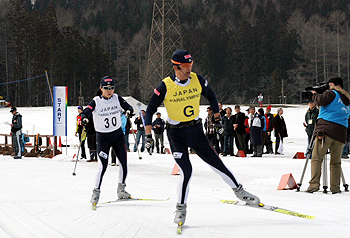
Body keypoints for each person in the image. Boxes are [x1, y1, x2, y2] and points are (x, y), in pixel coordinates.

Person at [144, 49, 260, 227]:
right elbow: (150, 110)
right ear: (176, 67)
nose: (189, 68)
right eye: (185, 65)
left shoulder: (197, 79)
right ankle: (181, 208)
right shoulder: (165, 85)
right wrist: (148, 134)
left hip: (196, 130)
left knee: (217, 163)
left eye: (191, 64)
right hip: (176, 134)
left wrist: (216, 116)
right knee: (186, 171)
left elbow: (212, 96)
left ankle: (240, 191)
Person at [80, 76, 134, 206]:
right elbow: (87, 111)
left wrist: (129, 111)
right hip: (103, 138)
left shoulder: (116, 98)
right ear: (101, 88)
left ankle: (121, 190)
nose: (109, 91)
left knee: (123, 163)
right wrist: (84, 118)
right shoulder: (96, 101)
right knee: (102, 166)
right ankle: (96, 192)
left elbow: (128, 106)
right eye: (106, 88)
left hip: (117, 136)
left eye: (111, 88)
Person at [306, 77, 350, 194]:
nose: (328, 87)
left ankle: (314, 184)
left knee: (316, 158)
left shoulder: (332, 93)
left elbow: (320, 101)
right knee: (335, 162)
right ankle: (335, 187)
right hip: (340, 133)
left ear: (336, 86)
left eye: (330, 85)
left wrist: (314, 95)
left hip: (326, 130)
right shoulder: (347, 99)